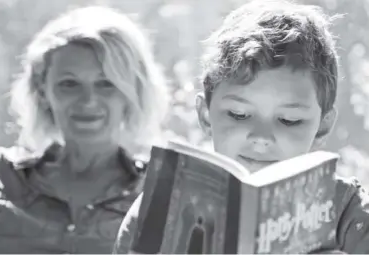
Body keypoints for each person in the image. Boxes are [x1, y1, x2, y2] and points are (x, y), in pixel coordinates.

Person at [112, 0, 369, 254]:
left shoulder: (348, 213)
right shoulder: (161, 209)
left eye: (289, 120)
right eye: (239, 114)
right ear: (205, 116)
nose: (261, 138)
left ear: (322, 127)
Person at [0, 5, 168, 254]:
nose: (88, 101)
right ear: (43, 91)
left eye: (106, 84)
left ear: (132, 92)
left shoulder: (159, 195)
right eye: (69, 84)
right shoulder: (0, 176)